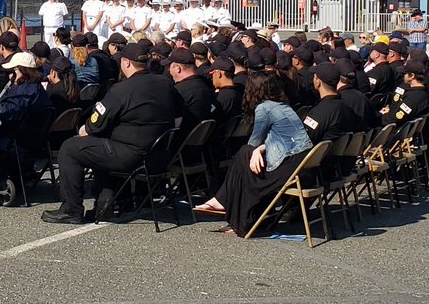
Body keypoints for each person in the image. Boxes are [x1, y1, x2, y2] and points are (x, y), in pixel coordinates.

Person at [41, 44, 181, 224]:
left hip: (129, 155)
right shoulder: (166, 84)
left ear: (126, 63)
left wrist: (86, 131)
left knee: (70, 147)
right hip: (159, 154)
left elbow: (94, 125)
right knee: (98, 145)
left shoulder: (121, 90)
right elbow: (179, 113)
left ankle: (71, 209)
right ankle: (105, 207)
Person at [192, 73, 313, 236]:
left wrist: (257, 149)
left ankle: (227, 206)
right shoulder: (283, 105)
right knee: (247, 159)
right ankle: (228, 205)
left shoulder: (264, 108)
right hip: (302, 164)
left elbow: (254, 141)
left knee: (244, 154)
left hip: (290, 167)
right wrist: (260, 150)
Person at [167, 47, 214, 136]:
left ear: (178, 68)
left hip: (181, 140)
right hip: (201, 140)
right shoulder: (206, 85)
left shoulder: (178, 91)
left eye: (170, 67)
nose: (169, 70)